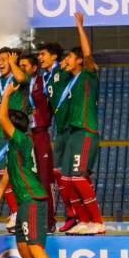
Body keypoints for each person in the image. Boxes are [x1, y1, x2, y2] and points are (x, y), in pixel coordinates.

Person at [0, 80, 67, 258]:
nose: (1, 127)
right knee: (23, 248)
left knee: (35, 247)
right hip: (24, 203)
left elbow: (2, 118)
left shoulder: (22, 139)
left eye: (5, 124)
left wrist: (6, 95)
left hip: (33, 200)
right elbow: (7, 178)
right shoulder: (13, 147)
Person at [57, 13, 105, 235]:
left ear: (78, 61)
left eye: (69, 57)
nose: (66, 60)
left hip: (86, 132)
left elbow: (87, 55)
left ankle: (98, 222)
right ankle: (84, 220)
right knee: (67, 180)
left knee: (78, 177)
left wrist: (79, 27)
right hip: (72, 134)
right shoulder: (69, 82)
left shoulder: (88, 76)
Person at [40, 41, 82, 233]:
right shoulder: (46, 77)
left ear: (54, 56)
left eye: (43, 54)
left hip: (72, 129)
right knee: (58, 174)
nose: (40, 58)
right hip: (60, 130)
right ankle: (71, 215)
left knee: (74, 176)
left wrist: (68, 62)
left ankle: (80, 216)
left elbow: (82, 71)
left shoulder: (64, 71)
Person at [0, 47, 28, 232]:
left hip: (17, 131)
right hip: (1, 133)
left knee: (16, 174)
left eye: (4, 59)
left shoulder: (19, 77)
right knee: (3, 174)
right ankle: (15, 212)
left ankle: (23, 212)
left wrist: (13, 63)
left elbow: (20, 78)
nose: (0, 63)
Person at [19, 52, 58, 232]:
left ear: (35, 68)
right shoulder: (19, 86)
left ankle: (49, 221)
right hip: (25, 136)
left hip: (40, 134)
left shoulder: (43, 81)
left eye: (24, 66)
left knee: (44, 179)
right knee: (26, 178)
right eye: (19, 66)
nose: (21, 69)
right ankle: (29, 218)